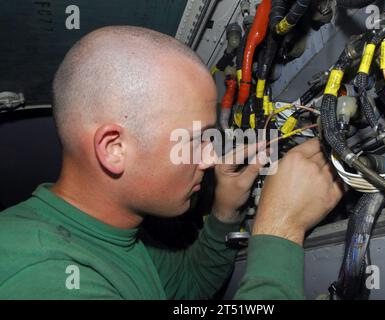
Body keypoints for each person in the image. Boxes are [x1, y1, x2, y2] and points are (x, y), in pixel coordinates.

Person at [0, 26, 343, 299]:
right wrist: (279, 231)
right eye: (195, 140)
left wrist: (225, 211)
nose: (212, 158)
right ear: (114, 148)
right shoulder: (39, 276)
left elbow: (189, 285)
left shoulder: (118, 231)